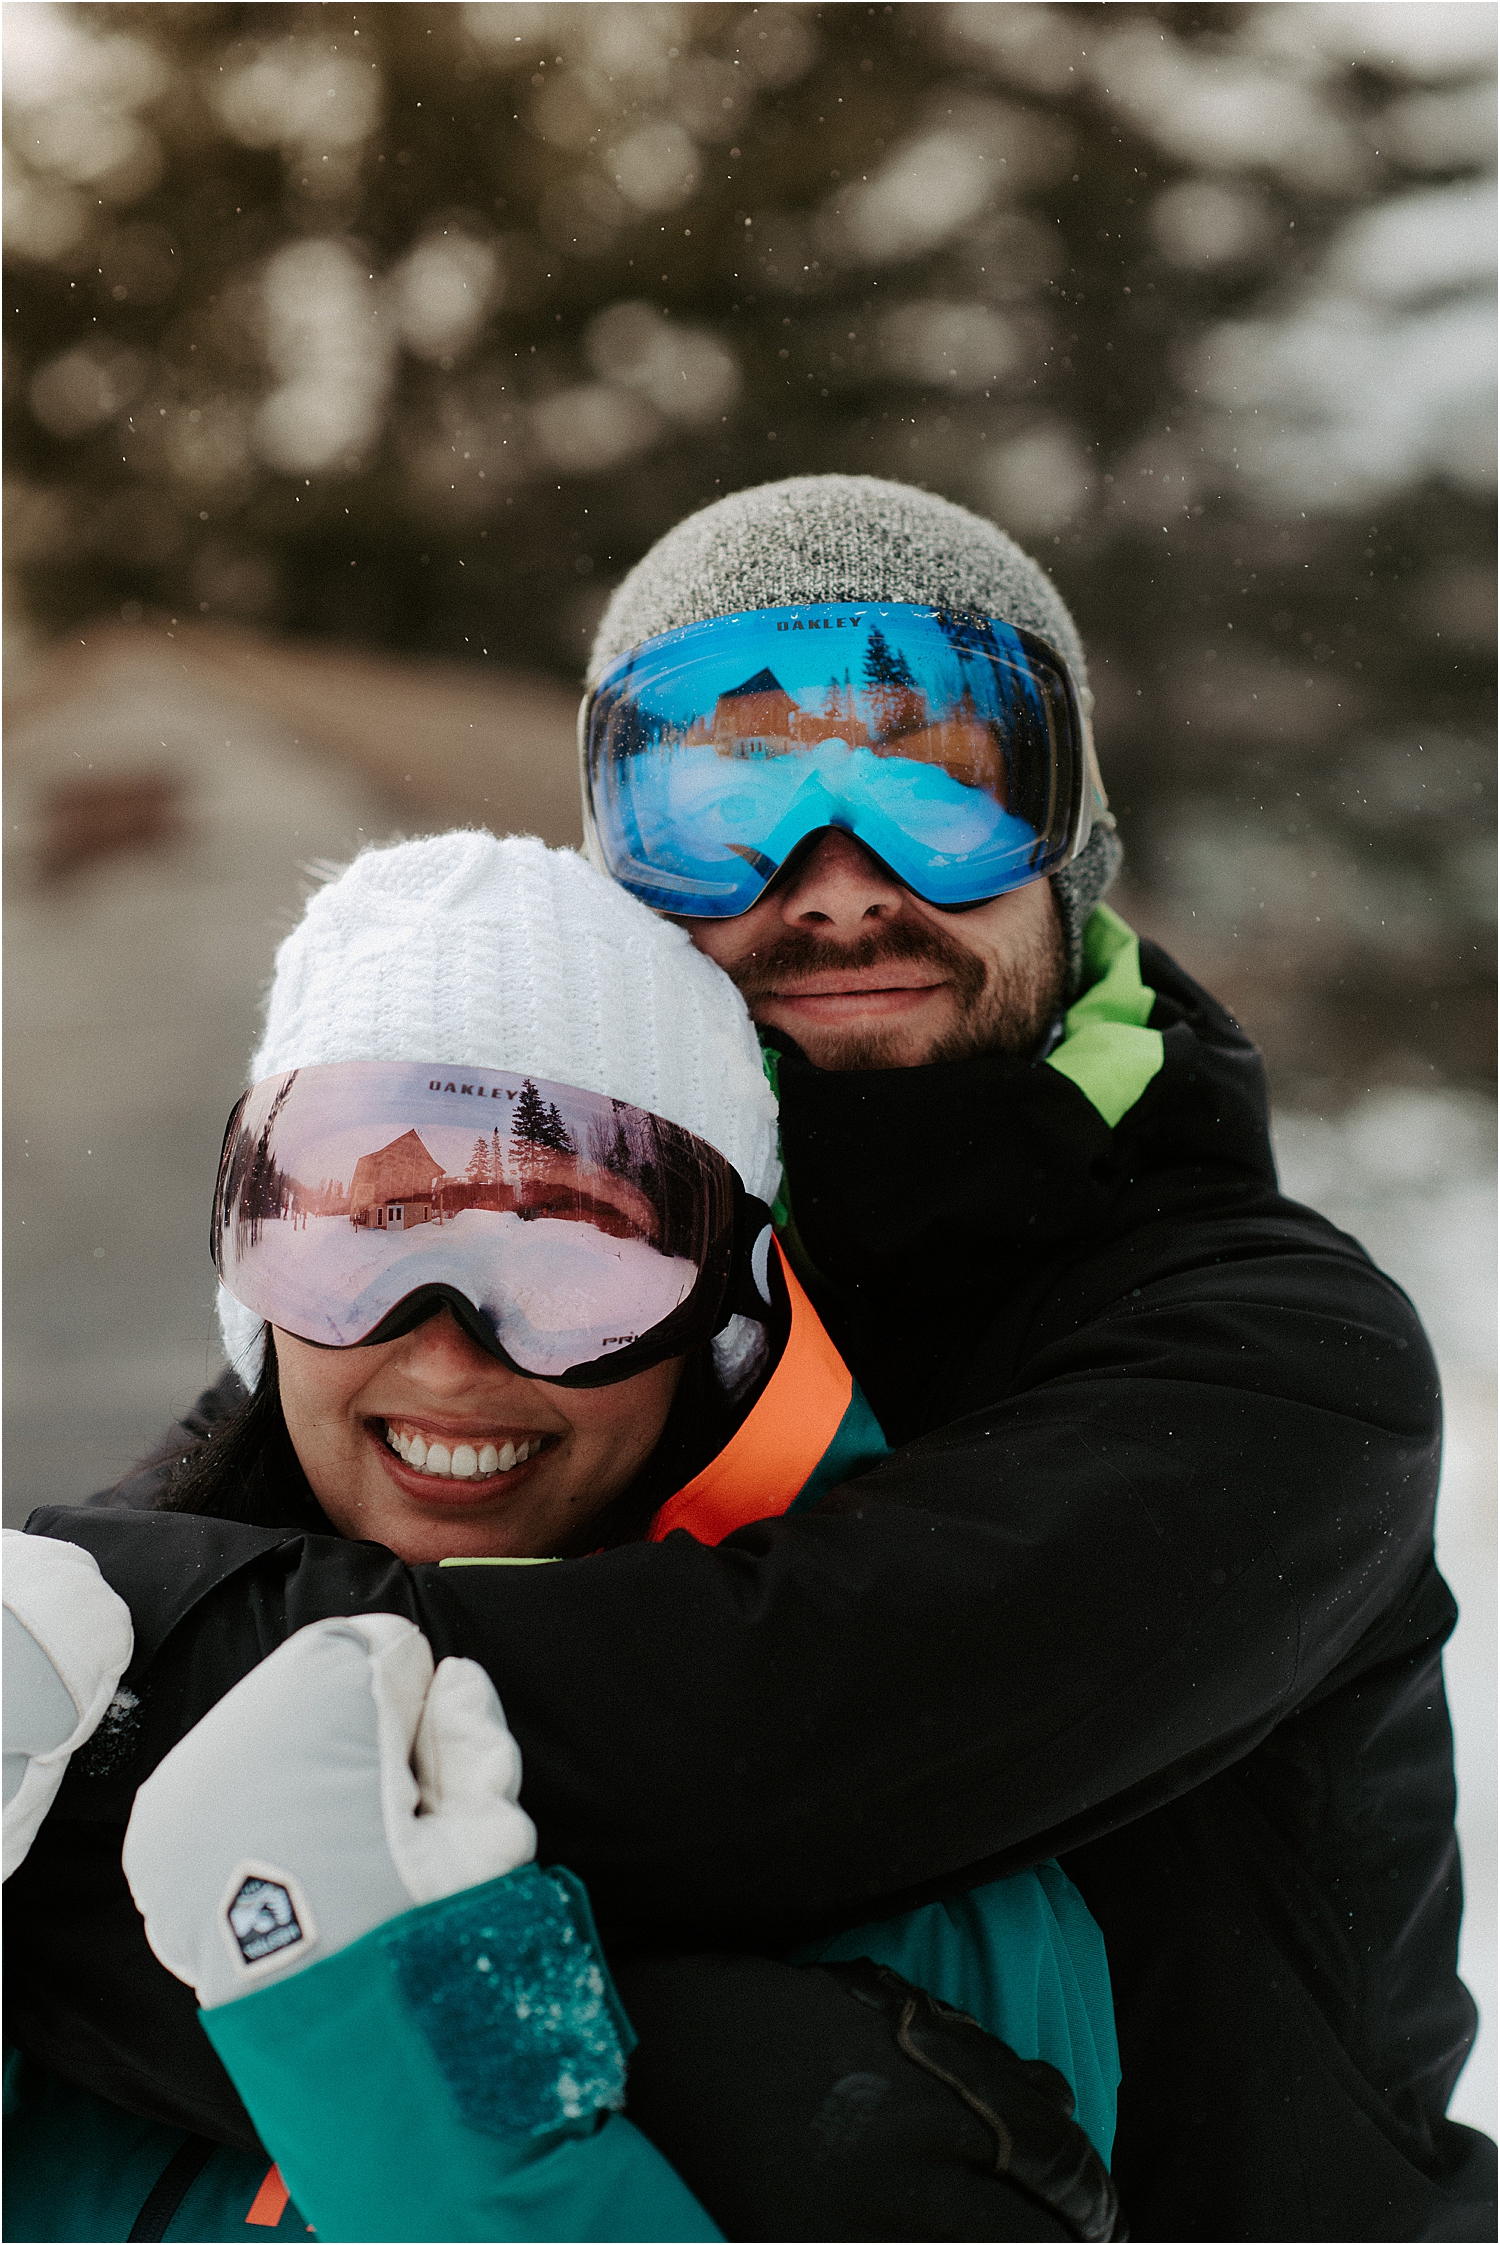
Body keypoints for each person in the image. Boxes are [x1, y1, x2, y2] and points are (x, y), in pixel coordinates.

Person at [12, 476, 1494, 2239]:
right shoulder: (558, 1278)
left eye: (938, 783)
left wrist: (122, 1740)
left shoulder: (1274, 1361)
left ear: (1069, 842)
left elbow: (740, 1745)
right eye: (723, 800)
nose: (841, 886)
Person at [4, 830, 1121, 2244]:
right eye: (371, 1228)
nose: (454, 1355)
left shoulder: (916, 1882)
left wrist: (415, 2066)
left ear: (715, 1319)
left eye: (578, 1254)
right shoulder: (74, 1744)